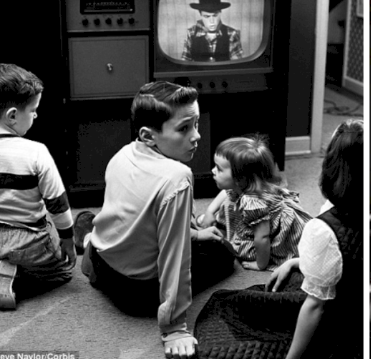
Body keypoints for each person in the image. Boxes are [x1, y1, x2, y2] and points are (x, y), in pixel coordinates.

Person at [76, 81, 234, 359]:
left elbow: (129, 214)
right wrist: (174, 326)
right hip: (136, 294)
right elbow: (175, 256)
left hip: (102, 263)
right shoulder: (178, 178)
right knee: (223, 254)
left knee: (90, 217)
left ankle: (88, 245)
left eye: (196, 124)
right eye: (184, 128)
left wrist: (195, 233)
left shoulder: (123, 153)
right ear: (149, 135)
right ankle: (89, 241)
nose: (196, 136)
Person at [267, 119, 363, 358]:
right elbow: (350, 260)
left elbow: (315, 306)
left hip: (344, 326)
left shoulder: (323, 227)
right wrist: (296, 262)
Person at [0, 64, 75, 310]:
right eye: (33, 111)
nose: (36, 116)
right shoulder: (35, 152)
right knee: (63, 270)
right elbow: (57, 203)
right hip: (28, 243)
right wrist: (67, 239)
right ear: (12, 116)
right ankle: (15, 279)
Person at [197, 136, 312, 271]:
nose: (213, 171)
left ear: (240, 179)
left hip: (278, 237)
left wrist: (260, 264)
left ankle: (234, 239)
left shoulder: (253, 203)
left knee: (241, 251)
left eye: (219, 169)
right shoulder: (244, 185)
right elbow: (225, 193)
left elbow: (262, 238)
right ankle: (218, 224)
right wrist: (210, 212)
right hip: (259, 225)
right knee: (228, 201)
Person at [181, 0, 245, 62]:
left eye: (215, 15)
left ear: (220, 13)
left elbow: (237, 64)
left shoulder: (232, 33)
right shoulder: (191, 33)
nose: (212, 21)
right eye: (207, 16)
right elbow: (185, 62)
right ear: (200, 15)